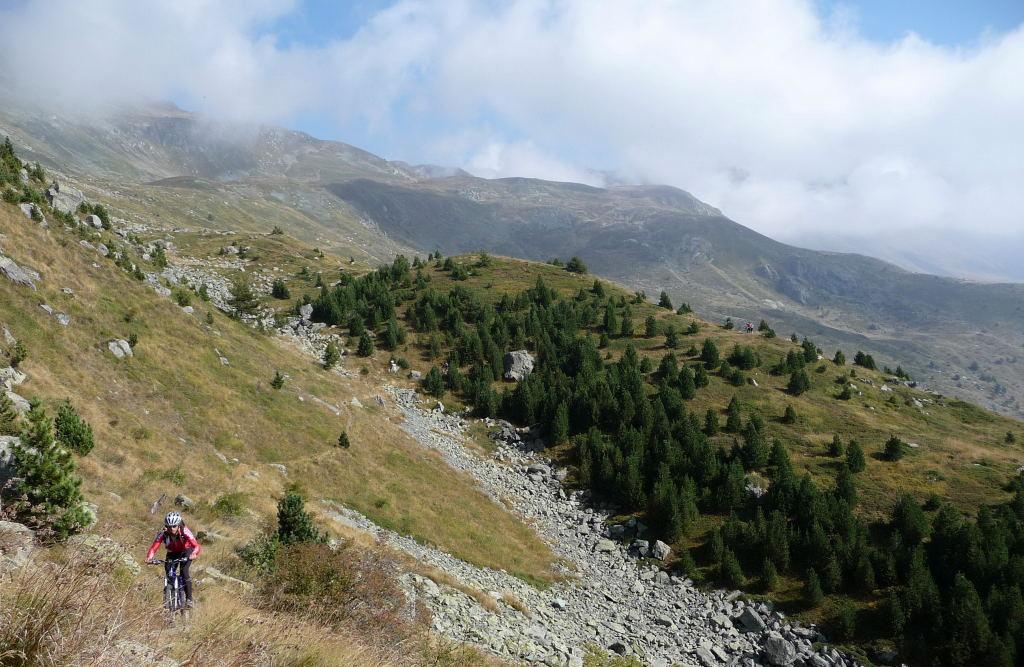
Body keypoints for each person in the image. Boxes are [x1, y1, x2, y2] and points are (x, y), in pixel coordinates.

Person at [145, 511, 201, 607]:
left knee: (184, 571)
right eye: (169, 526)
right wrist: (149, 558)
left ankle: (189, 599)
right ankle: (168, 595)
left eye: (174, 526)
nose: (172, 529)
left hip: (186, 551)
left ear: (178, 525)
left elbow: (196, 545)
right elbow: (154, 547)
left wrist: (194, 554)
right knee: (169, 574)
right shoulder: (164, 533)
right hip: (172, 553)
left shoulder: (185, 531)